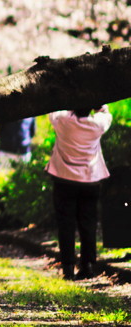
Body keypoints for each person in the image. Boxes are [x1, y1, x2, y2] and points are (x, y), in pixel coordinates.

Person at [46, 104, 112, 280]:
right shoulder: (97, 125)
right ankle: (88, 265)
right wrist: (98, 103)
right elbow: (105, 113)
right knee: (88, 224)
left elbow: (53, 109)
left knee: (65, 224)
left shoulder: (63, 121)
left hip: (64, 180)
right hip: (90, 180)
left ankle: (68, 267)